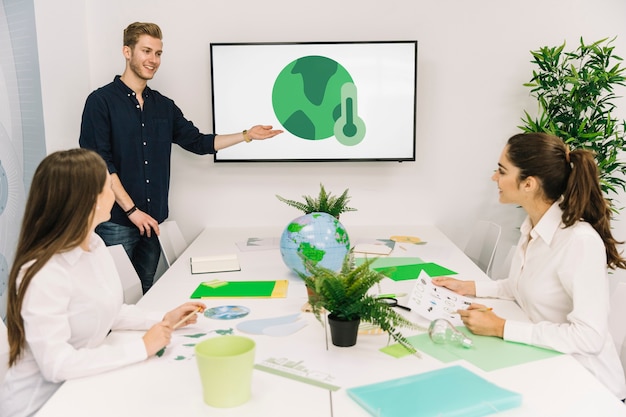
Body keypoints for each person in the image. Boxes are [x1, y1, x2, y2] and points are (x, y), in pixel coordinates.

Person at [79, 22, 282, 293]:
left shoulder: (163, 106)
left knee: (147, 292)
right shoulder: (100, 102)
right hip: (116, 223)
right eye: (146, 51)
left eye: (158, 53)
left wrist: (246, 135)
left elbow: (199, 142)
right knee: (112, 297)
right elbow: (100, 164)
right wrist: (132, 211)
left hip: (154, 221)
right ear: (127, 52)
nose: (153, 60)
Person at [0, 149, 206, 417]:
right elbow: (57, 365)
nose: (115, 191)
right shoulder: (43, 272)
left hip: (82, 386)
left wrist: (163, 318)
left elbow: (109, 310)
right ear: (89, 201)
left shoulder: (94, 244)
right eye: (108, 185)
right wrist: (141, 347)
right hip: (43, 405)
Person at [433, 132, 626, 399]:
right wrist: (468, 287)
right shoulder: (533, 228)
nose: (494, 178)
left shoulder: (578, 241)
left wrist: (500, 327)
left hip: (589, 386)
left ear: (529, 184)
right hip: (547, 363)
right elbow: (520, 287)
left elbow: (588, 338)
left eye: (501, 171)